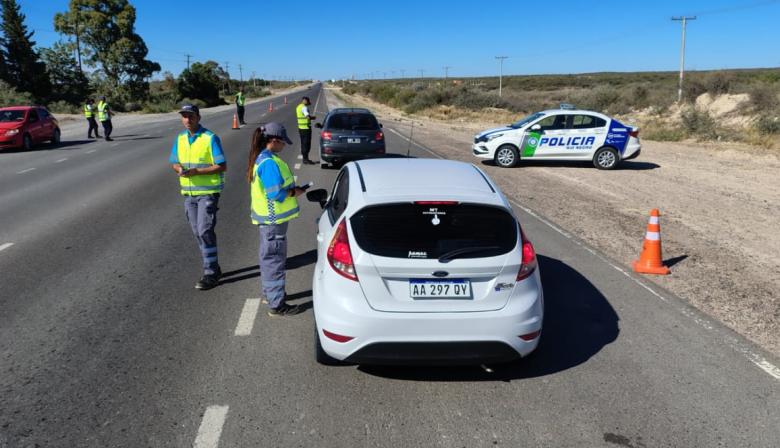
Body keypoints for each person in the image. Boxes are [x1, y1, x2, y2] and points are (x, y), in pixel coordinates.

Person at [247, 122, 305, 316]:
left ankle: (271, 294)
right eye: (283, 142)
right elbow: (275, 194)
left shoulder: (262, 158)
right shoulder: (269, 163)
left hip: (268, 223)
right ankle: (276, 305)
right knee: (275, 262)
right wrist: (294, 192)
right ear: (274, 140)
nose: (284, 146)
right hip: (273, 222)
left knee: (268, 261)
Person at [169, 104, 227, 290]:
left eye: (191, 116)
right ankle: (214, 267)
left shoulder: (210, 138)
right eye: (184, 116)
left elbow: (221, 165)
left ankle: (210, 272)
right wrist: (179, 169)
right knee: (197, 233)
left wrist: (197, 172)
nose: (187, 119)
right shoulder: (180, 138)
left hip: (207, 193)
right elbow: (174, 162)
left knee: (204, 231)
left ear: (198, 117)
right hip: (189, 194)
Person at [295, 97, 316, 164]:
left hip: (301, 128)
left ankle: (305, 158)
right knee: (306, 144)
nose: (308, 104)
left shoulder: (298, 107)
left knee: (303, 143)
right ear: (305, 101)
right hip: (306, 128)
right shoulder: (304, 107)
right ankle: (305, 159)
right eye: (308, 102)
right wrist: (313, 117)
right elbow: (307, 116)